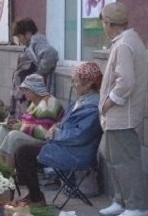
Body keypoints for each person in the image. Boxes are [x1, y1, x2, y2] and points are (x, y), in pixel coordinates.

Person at [13, 62, 103, 205]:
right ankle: (33, 195)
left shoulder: (91, 106)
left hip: (76, 153)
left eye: (76, 81)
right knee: (22, 150)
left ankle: (36, 197)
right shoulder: (82, 100)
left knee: (23, 152)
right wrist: (56, 126)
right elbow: (66, 121)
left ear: (88, 84)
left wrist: (55, 134)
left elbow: (80, 135)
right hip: (65, 146)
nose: (73, 85)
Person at [97, 2, 148, 216]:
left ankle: (136, 206)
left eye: (103, 23)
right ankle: (121, 201)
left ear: (108, 23)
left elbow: (126, 82)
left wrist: (109, 102)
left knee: (126, 161)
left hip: (122, 115)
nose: (103, 27)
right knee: (111, 156)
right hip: (117, 116)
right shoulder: (126, 42)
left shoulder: (124, 45)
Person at [0, 74, 64, 166]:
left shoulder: (48, 104)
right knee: (3, 130)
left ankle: (6, 172)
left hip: (46, 142)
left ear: (35, 89)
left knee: (14, 136)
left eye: (26, 90)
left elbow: (43, 132)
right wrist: (16, 123)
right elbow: (29, 122)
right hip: (34, 136)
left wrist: (19, 126)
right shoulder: (35, 102)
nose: (24, 93)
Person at [10, 18, 58, 118]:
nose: (19, 40)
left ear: (27, 33)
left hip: (35, 92)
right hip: (29, 92)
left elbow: (51, 53)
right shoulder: (32, 43)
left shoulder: (37, 40)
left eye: (20, 36)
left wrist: (38, 74)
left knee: (35, 117)